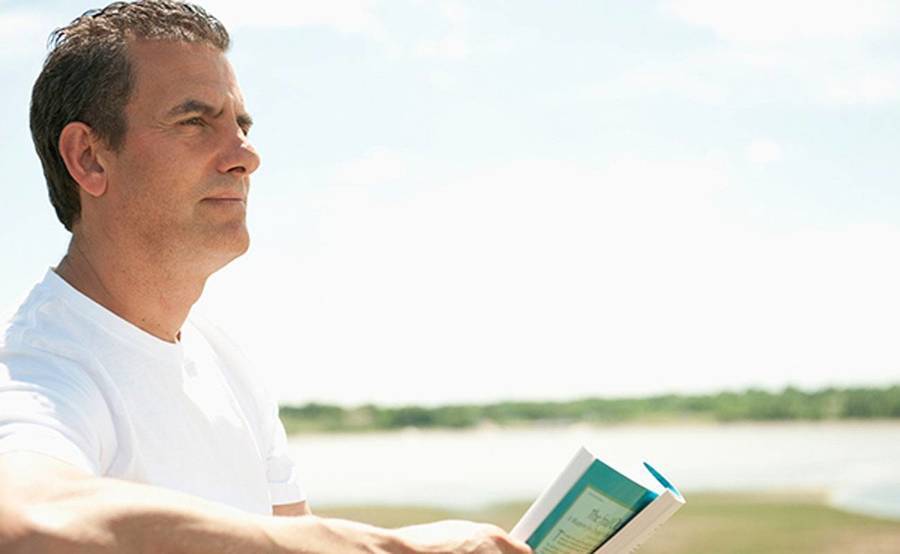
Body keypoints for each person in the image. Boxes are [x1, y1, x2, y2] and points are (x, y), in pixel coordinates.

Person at [0, 2, 532, 552]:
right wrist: (395, 548)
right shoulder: (34, 366)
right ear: (88, 157)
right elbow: (24, 521)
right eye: (194, 122)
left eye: (241, 125)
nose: (246, 156)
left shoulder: (224, 356)